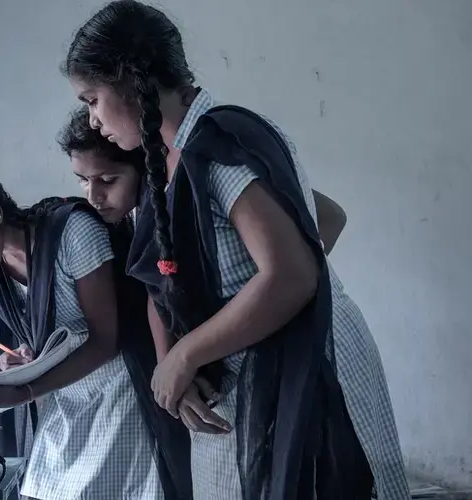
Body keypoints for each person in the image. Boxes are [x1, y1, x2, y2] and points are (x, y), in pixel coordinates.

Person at [63, 2, 410, 499]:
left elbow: (290, 275)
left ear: (128, 79)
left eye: (92, 99)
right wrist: (173, 369)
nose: (92, 120)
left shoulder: (221, 143)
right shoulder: (166, 161)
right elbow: (161, 282)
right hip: (238, 375)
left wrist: (187, 354)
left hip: (301, 370)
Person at [0, 153, 187, 500]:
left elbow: (105, 340)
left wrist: (27, 390)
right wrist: (26, 362)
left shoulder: (73, 232)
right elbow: (49, 337)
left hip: (120, 393)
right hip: (64, 399)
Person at [58, 105, 348, 254]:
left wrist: (301, 287)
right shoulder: (115, 223)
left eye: (108, 180)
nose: (93, 196)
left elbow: (331, 216)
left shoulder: (199, 180)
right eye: (82, 180)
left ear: (146, 168)